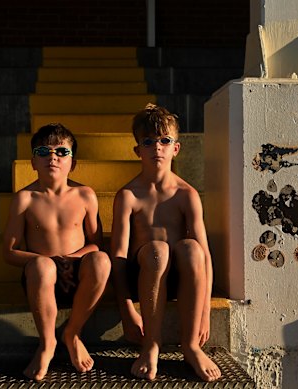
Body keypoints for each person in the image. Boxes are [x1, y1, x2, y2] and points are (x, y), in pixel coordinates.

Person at [110, 103, 222, 382]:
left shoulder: (186, 194)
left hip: (180, 277)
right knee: (158, 250)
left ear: (176, 148)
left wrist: (205, 311)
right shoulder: (128, 196)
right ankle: (152, 345)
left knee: (191, 248)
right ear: (138, 150)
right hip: (145, 274)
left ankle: (190, 346)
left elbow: (205, 255)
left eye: (164, 140)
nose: (156, 147)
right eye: (148, 141)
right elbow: (119, 256)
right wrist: (126, 310)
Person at [2, 123, 111, 381]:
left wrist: (69, 259)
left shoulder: (85, 195)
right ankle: (47, 343)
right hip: (41, 277)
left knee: (101, 261)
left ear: (72, 163)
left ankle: (72, 333)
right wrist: (46, 261)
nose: (53, 156)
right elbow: (9, 251)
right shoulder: (25, 198)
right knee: (43, 267)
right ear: (33, 162)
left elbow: (96, 243)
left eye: (62, 151)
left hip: (77, 270)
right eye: (44, 151)